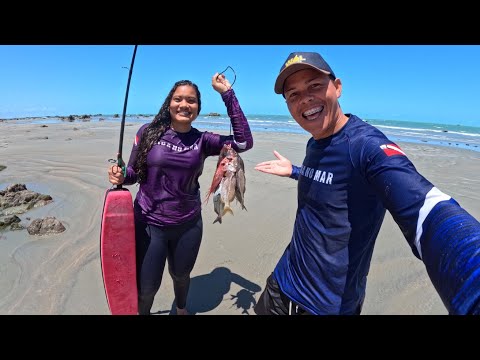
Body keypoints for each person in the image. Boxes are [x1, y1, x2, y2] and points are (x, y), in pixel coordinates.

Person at [253, 51, 480, 315]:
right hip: (281, 283)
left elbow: (426, 210)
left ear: (337, 87)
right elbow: (332, 181)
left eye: (314, 85)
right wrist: (294, 170)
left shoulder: (367, 147)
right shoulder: (315, 141)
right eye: (293, 94)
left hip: (324, 307)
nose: (304, 99)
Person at [108, 73, 253, 315]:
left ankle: (182, 308)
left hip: (187, 224)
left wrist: (227, 95)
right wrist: (122, 176)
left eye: (191, 101)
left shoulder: (202, 141)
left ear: (198, 108)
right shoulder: (148, 132)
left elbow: (244, 143)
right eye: (178, 99)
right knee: (146, 289)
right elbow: (134, 174)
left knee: (181, 275)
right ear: (169, 102)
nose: (184, 105)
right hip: (148, 223)